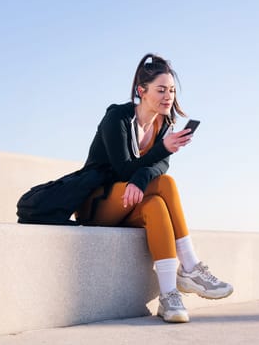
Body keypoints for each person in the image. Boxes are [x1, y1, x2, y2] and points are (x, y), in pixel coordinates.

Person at [76, 53, 233, 323]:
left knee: (157, 204)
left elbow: (160, 167)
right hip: (99, 203)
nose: (168, 96)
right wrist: (160, 151)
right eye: (161, 90)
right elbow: (122, 169)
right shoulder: (118, 118)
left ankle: (170, 295)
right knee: (166, 185)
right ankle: (191, 266)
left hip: (134, 203)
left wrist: (151, 165)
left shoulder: (164, 124)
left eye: (171, 90)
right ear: (141, 91)